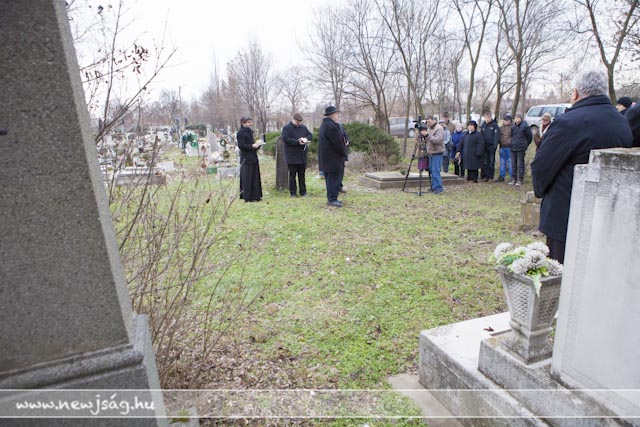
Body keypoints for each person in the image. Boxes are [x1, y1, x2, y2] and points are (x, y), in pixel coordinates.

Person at [531, 68, 633, 263]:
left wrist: (540, 190)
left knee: (563, 270)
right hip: (608, 214)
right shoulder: (621, 122)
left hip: (567, 215)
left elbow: (542, 167)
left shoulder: (568, 123)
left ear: (576, 93)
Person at [318, 106, 348, 207]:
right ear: (332, 115)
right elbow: (337, 143)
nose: (337, 116)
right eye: (336, 114)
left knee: (330, 179)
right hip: (333, 158)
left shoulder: (324, 124)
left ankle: (332, 198)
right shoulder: (331, 126)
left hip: (327, 158)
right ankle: (332, 199)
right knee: (333, 179)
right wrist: (344, 151)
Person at [281, 112, 313, 197]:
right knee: (292, 175)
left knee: (302, 175)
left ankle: (303, 192)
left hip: (302, 154)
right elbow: (285, 139)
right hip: (291, 155)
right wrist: (297, 141)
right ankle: (293, 192)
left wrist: (306, 139)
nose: (298, 124)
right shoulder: (287, 128)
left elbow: (310, 135)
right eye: (297, 122)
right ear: (293, 119)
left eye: (300, 122)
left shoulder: (303, 128)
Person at [236, 116, 263, 202]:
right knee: (247, 178)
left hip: (253, 157)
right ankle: (248, 196)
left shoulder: (250, 132)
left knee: (255, 177)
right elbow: (241, 146)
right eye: (248, 122)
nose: (250, 124)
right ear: (243, 123)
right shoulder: (240, 133)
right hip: (246, 158)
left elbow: (252, 143)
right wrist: (251, 146)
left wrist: (258, 145)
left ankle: (256, 195)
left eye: (250, 122)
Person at [424, 115, 445, 194]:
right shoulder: (429, 128)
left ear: (433, 120)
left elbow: (438, 140)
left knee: (436, 171)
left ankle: (439, 188)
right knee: (431, 171)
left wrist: (427, 135)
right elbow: (428, 140)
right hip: (431, 152)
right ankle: (433, 186)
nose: (428, 123)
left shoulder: (439, 128)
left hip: (437, 152)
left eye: (429, 121)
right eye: (427, 122)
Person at [510, 113, 532, 186]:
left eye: (518, 117)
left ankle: (520, 179)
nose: (516, 119)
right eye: (515, 117)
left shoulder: (525, 126)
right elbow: (512, 135)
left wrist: (525, 144)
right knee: (513, 164)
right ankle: (514, 178)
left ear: (521, 118)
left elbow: (529, 136)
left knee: (520, 164)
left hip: (521, 147)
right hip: (513, 147)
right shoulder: (513, 126)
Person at [480, 112, 500, 182]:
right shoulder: (483, 125)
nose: (487, 119)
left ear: (491, 117)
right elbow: (481, 136)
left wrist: (495, 146)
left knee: (491, 162)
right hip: (484, 147)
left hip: (491, 146)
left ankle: (490, 177)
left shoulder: (494, 125)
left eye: (488, 117)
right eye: (486, 117)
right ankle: (485, 176)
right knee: (485, 162)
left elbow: (496, 136)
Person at [496, 114, 513, 182]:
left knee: (510, 162)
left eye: (507, 120)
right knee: (502, 162)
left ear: (510, 121)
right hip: (502, 147)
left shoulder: (513, 127)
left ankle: (512, 176)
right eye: (505, 120)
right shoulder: (501, 128)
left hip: (510, 147)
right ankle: (501, 176)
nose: (506, 121)